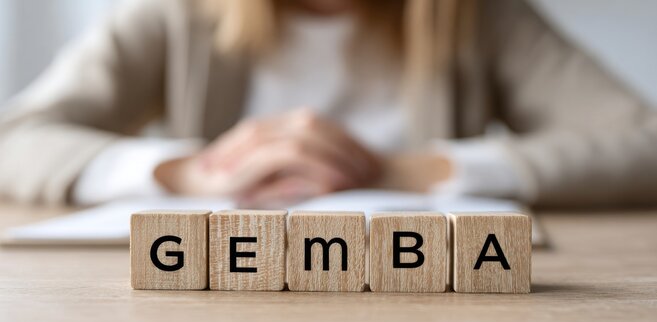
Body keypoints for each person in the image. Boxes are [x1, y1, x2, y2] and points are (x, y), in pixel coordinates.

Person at [0, 0, 655, 208]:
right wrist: (189, 173)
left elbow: (641, 141)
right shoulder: (178, 13)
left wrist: (407, 171)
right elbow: (17, 138)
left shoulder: (475, 14)